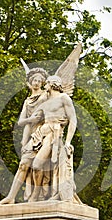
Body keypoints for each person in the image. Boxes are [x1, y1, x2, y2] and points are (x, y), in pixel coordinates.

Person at [27, 75, 81, 203]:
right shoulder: (45, 100)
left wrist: (68, 141)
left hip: (53, 135)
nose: (44, 85)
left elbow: (73, 119)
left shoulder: (63, 98)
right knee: (26, 163)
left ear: (52, 84)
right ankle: (38, 195)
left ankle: (36, 195)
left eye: (46, 83)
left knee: (37, 164)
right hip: (40, 134)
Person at [0, 67, 48, 204]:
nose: (37, 82)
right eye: (34, 80)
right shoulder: (27, 101)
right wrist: (23, 141)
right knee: (23, 165)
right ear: (30, 82)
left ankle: (37, 196)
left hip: (46, 132)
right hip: (33, 136)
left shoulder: (46, 95)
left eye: (39, 80)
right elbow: (21, 122)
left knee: (39, 167)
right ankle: (11, 197)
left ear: (43, 82)